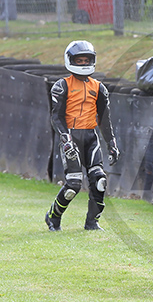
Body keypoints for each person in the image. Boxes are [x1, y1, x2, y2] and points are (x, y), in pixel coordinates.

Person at [45, 41, 120, 232]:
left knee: (100, 181)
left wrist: (111, 142)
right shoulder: (62, 86)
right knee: (73, 185)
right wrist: (65, 138)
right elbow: (56, 116)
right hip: (70, 139)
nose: (84, 63)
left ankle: (92, 223)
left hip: (90, 137)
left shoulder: (100, 88)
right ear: (70, 61)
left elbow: (105, 119)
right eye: (79, 60)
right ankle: (53, 217)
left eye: (87, 59)